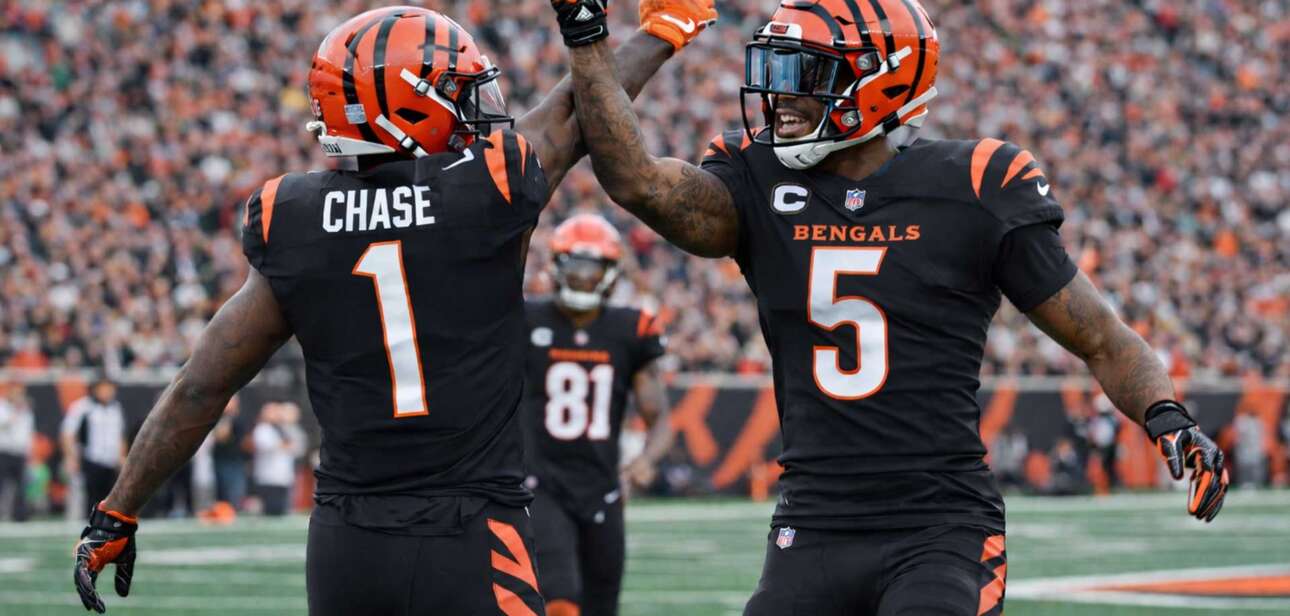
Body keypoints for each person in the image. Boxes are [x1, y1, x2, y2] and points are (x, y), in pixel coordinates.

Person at [549, 0, 1230, 613]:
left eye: (803, 73)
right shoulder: (759, 181)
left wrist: (1166, 416)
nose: (778, 94)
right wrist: (589, 38)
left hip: (939, 526)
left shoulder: (974, 185)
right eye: (777, 70)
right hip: (812, 521)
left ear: (883, 79)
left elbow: (1102, 337)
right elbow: (636, 181)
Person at [71, 3, 718, 614]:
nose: (479, 111)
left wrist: (117, 512)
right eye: (458, 93)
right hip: (472, 531)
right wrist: (660, 31)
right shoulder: (484, 189)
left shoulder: (293, 218)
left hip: (347, 546)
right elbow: (576, 114)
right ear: (406, 108)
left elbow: (200, 387)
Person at [523, 215, 673, 616]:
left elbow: (659, 417)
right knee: (560, 599)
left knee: (601, 607)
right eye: (574, 266)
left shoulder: (631, 329)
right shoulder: (526, 320)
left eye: (591, 269)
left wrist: (646, 459)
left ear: (609, 273)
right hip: (542, 484)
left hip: (603, 486)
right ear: (555, 266)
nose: (582, 278)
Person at [61, 378, 127, 515]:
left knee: (110, 501)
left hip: (111, 461)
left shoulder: (116, 408)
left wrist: (121, 457)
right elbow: (67, 433)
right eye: (104, 388)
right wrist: (71, 457)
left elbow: (120, 435)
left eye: (110, 388)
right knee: (90, 501)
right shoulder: (83, 407)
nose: (107, 392)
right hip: (90, 460)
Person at [251, 402, 306, 516]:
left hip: (284, 476)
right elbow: (267, 445)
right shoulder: (262, 428)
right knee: (271, 510)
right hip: (268, 477)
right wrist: (284, 445)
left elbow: (297, 447)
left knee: (282, 510)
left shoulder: (283, 429)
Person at [0, 384, 34, 521]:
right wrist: (14, 413)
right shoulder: (2, 407)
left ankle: (20, 515)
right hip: (4, 451)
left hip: (20, 453)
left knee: (21, 486)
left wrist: (29, 451)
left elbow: (28, 432)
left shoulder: (26, 411)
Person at [211, 396, 249, 510]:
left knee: (235, 492)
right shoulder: (219, 418)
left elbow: (245, 442)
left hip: (235, 461)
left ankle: (234, 511)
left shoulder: (239, 419)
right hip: (221, 460)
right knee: (222, 491)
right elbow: (219, 436)